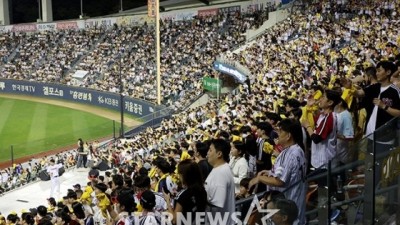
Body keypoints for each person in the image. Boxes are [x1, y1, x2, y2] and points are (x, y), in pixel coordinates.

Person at [250, 119, 306, 225]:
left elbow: (280, 181)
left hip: (288, 204)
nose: (277, 134)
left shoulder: (291, 154)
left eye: (280, 131)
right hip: (292, 202)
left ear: (288, 135)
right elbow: (284, 173)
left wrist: (259, 178)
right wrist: (269, 173)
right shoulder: (295, 149)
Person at [164, 159, 207, 224]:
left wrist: (168, 201)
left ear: (185, 176)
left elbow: (174, 220)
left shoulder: (183, 195)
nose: (179, 177)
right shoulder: (202, 189)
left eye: (180, 174)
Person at [205, 139, 236, 225]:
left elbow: (216, 205)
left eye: (210, 150)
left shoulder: (220, 174)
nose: (207, 153)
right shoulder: (221, 169)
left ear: (219, 154)